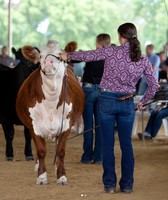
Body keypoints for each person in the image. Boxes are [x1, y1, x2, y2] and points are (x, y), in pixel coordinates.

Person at [61, 22, 159, 193]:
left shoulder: (112, 51)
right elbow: (154, 85)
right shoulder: (143, 59)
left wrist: (68, 55)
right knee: (126, 145)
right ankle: (127, 185)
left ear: (121, 37)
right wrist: (143, 101)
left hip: (106, 100)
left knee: (107, 145)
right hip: (127, 102)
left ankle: (109, 185)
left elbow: (90, 55)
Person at [81, 33, 111, 164]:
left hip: (88, 89)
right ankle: (98, 156)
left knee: (88, 125)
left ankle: (87, 156)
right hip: (102, 91)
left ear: (98, 42)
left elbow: (75, 60)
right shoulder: (110, 57)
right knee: (99, 125)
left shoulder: (92, 55)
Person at [0, 46, 34, 161]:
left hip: (16, 98)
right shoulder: (27, 68)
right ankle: (22, 152)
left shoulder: (30, 70)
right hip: (12, 98)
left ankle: (19, 152)